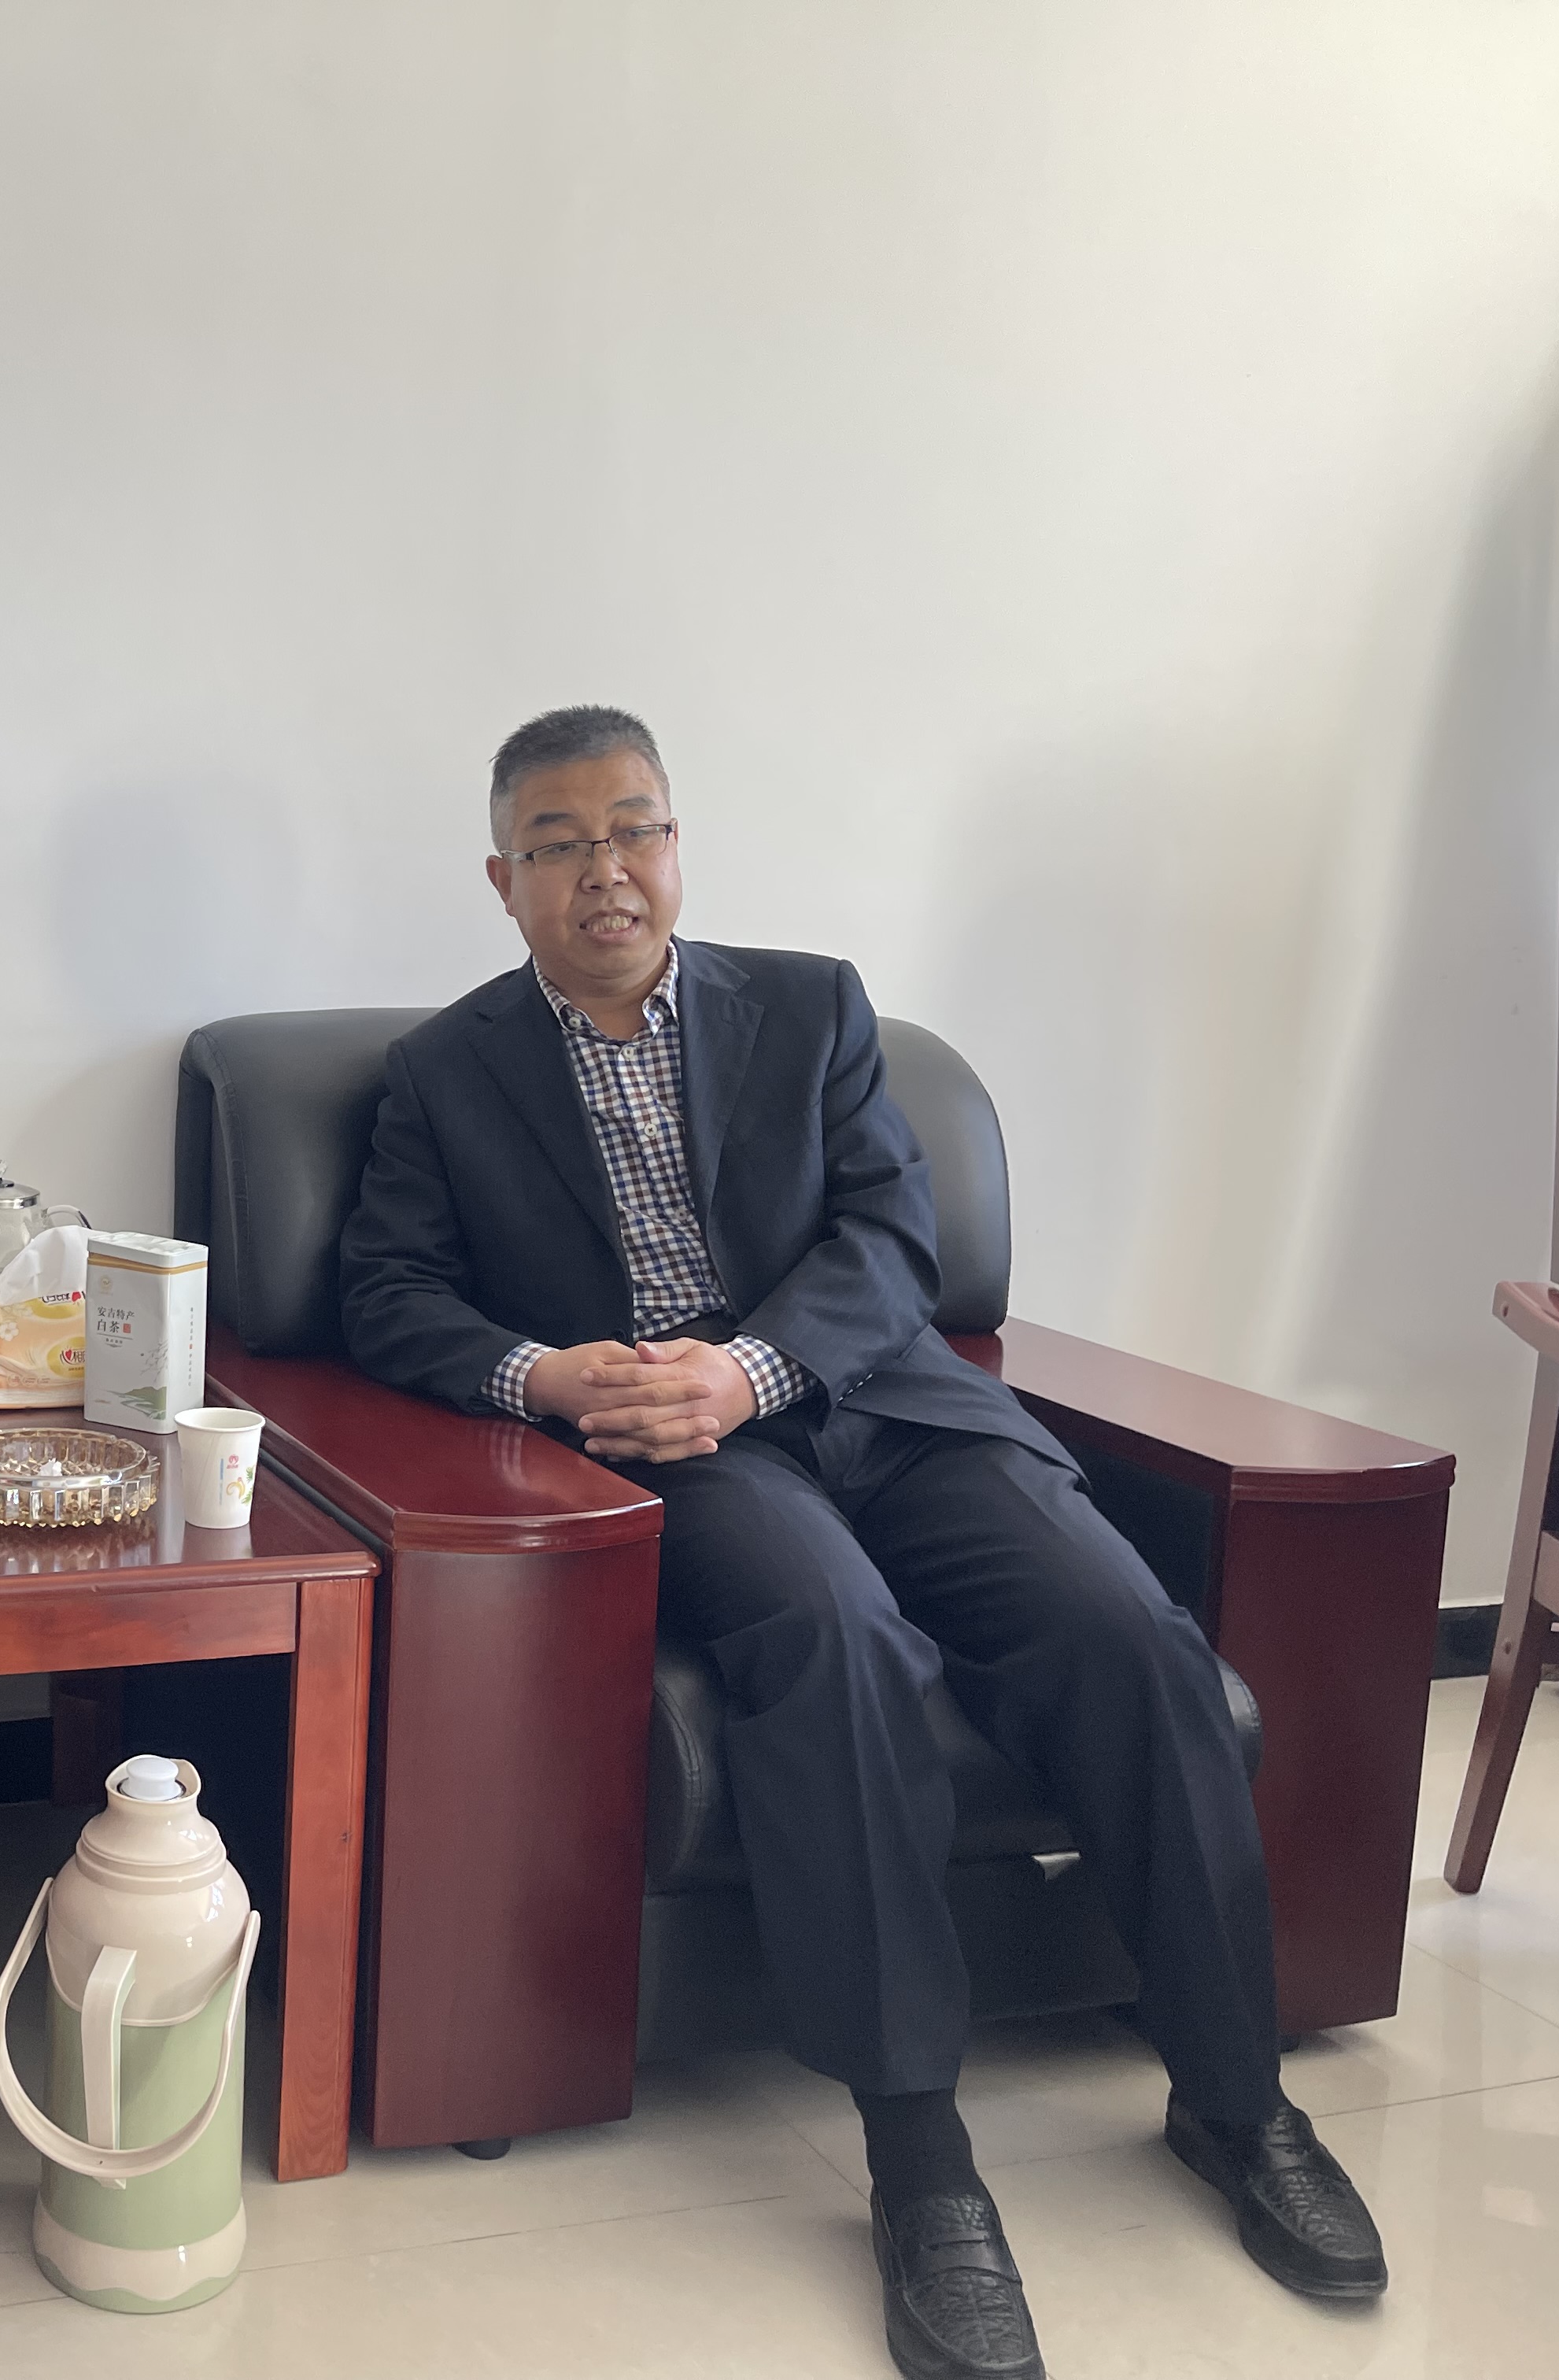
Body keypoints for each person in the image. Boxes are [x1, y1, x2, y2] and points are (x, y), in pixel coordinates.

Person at [334, 706, 1384, 2380]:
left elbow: (896, 1237)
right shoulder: (445, 1073)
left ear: (677, 842)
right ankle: (920, 2155)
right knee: (836, 1641)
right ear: (501, 879)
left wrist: (752, 1366)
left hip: (877, 1404)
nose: (606, 870)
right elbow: (387, 1293)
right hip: (673, 1450)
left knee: (1126, 1631)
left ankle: (1236, 2098)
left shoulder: (811, 1005)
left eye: (635, 828)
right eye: (559, 843)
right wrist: (555, 1375)